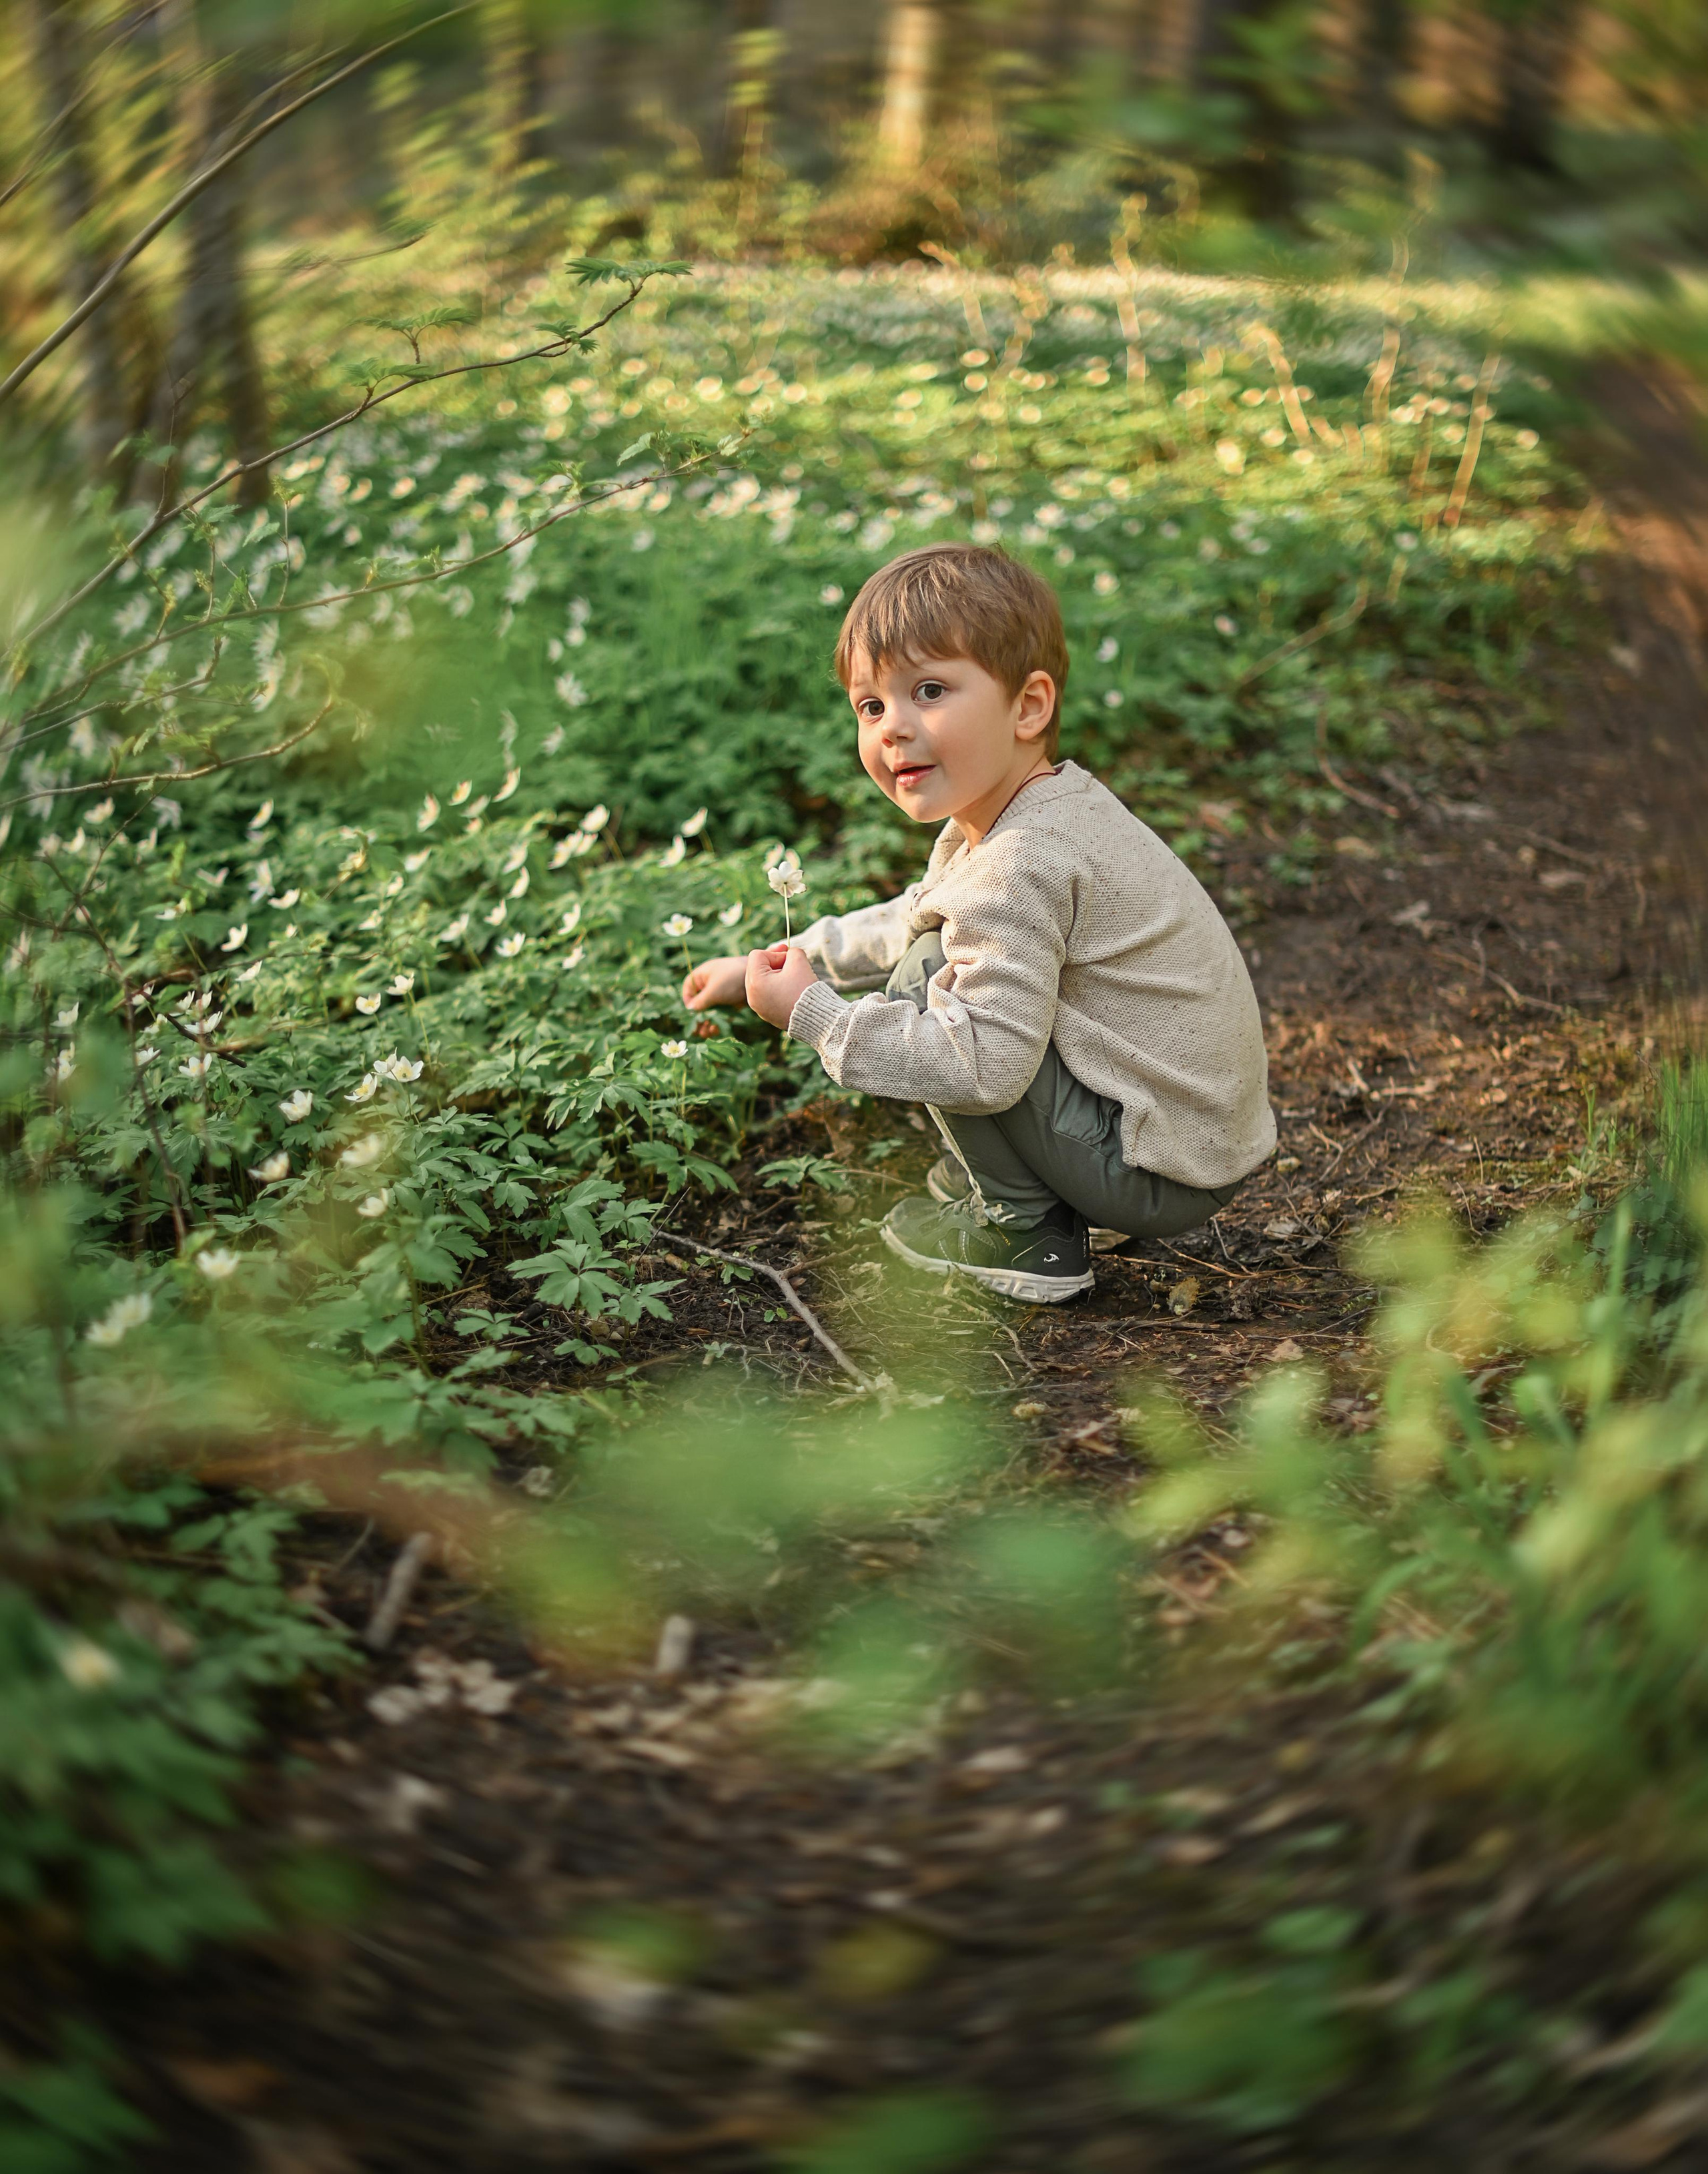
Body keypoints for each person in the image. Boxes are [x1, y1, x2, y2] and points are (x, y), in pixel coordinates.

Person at [682, 542, 1274, 1304]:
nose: (892, 728)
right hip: (1187, 1141)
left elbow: (983, 1067)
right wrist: (781, 960)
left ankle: (1025, 1228)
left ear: (1028, 707)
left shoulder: (1020, 862)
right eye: (871, 705)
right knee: (936, 951)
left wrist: (814, 1015)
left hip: (1154, 1170)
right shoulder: (1043, 810)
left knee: (927, 975)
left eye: (928, 690)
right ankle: (1038, 1182)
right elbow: (921, 911)